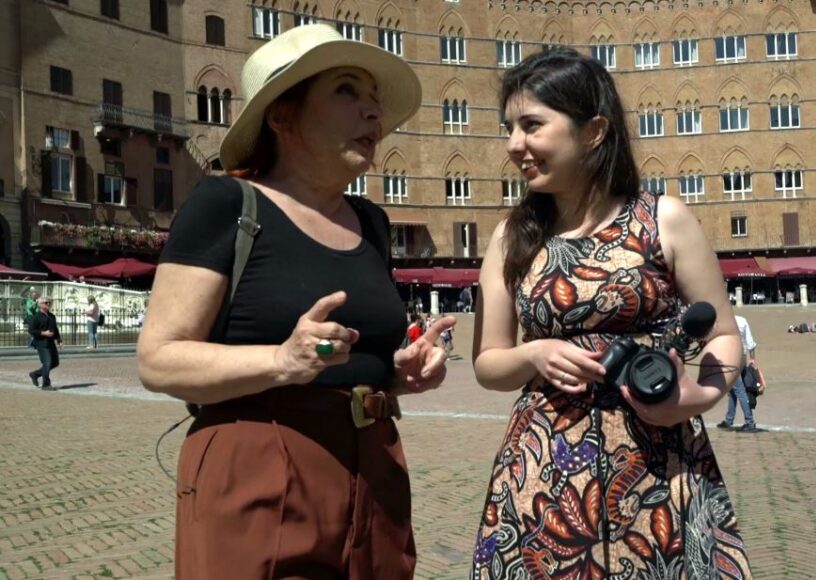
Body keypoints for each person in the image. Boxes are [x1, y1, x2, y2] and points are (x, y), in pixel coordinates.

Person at [137, 25, 455, 579]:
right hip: (260, 464)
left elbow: (343, 356)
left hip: (374, 468)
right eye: (347, 92)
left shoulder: (373, 223)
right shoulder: (226, 203)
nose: (373, 114)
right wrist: (280, 361)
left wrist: (397, 371)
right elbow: (158, 359)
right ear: (282, 116)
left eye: (375, 100)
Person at [470, 48, 750, 577]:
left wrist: (702, 394)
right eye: (509, 128)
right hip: (544, 474)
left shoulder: (663, 218)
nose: (514, 146)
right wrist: (534, 353)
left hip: (659, 468)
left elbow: (723, 332)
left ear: (594, 130)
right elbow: (488, 363)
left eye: (532, 125)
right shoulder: (512, 237)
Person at [717, 314, 760, 433]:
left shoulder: (722, 322)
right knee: (732, 390)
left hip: (730, 357)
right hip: (741, 356)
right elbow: (750, 342)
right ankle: (729, 420)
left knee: (739, 390)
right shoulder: (742, 320)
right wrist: (752, 359)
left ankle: (749, 422)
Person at [27, 296, 62, 391]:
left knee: (55, 363)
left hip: (51, 343)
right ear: (40, 305)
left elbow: (55, 329)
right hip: (41, 343)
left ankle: (35, 374)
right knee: (47, 362)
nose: (48, 304)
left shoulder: (52, 316)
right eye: (46, 303)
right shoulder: (36, 317)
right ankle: (46, 385)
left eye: (49, 302)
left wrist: (59, 340)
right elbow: (31, 330)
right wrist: (43, 333)